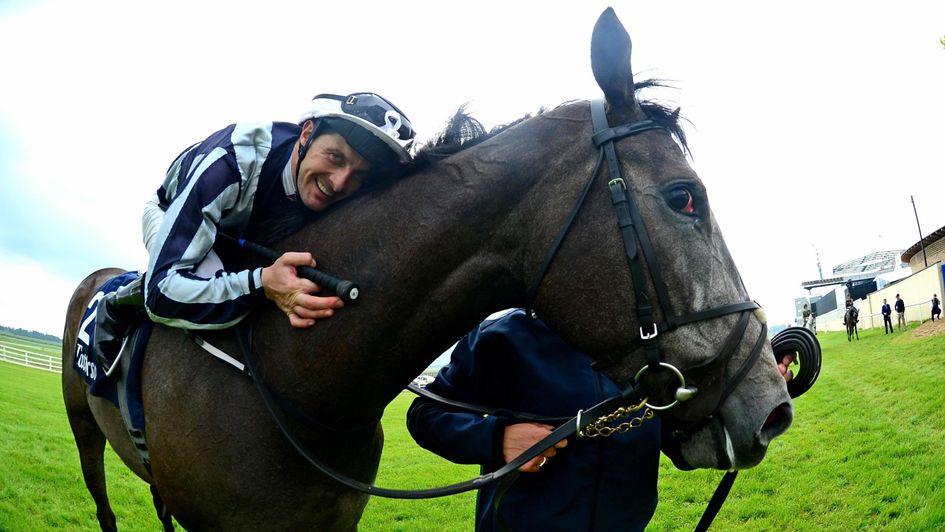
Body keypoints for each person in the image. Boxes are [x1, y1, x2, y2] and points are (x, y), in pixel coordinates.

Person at [91, 92, 416, 370]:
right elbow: (164, 292)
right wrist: (262, 284)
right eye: (334, 156)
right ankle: (120, 302)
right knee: (207, 273)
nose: (340, 182)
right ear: (306, 135)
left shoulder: (340, 186)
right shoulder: (229, 163)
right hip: (173, 215)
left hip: (241, 229)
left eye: (359, 175)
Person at [407, 309, 798, 531]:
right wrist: (498, 438)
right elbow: (425, 413)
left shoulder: (650, 347)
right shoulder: (503, 337)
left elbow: (677, 442)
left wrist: (755, 396)